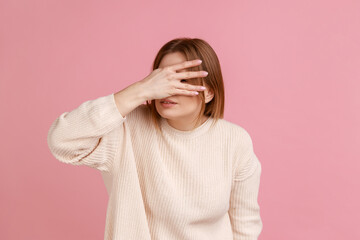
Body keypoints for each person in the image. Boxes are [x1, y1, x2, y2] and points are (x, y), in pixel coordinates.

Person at [47, 37, 263, 240]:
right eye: (161, 79)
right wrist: (140, 90)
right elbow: (61, 140)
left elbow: (245, 226)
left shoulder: (235, 141)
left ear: (208, 92)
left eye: (182, 80)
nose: (167, 90)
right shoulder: (128, 128)